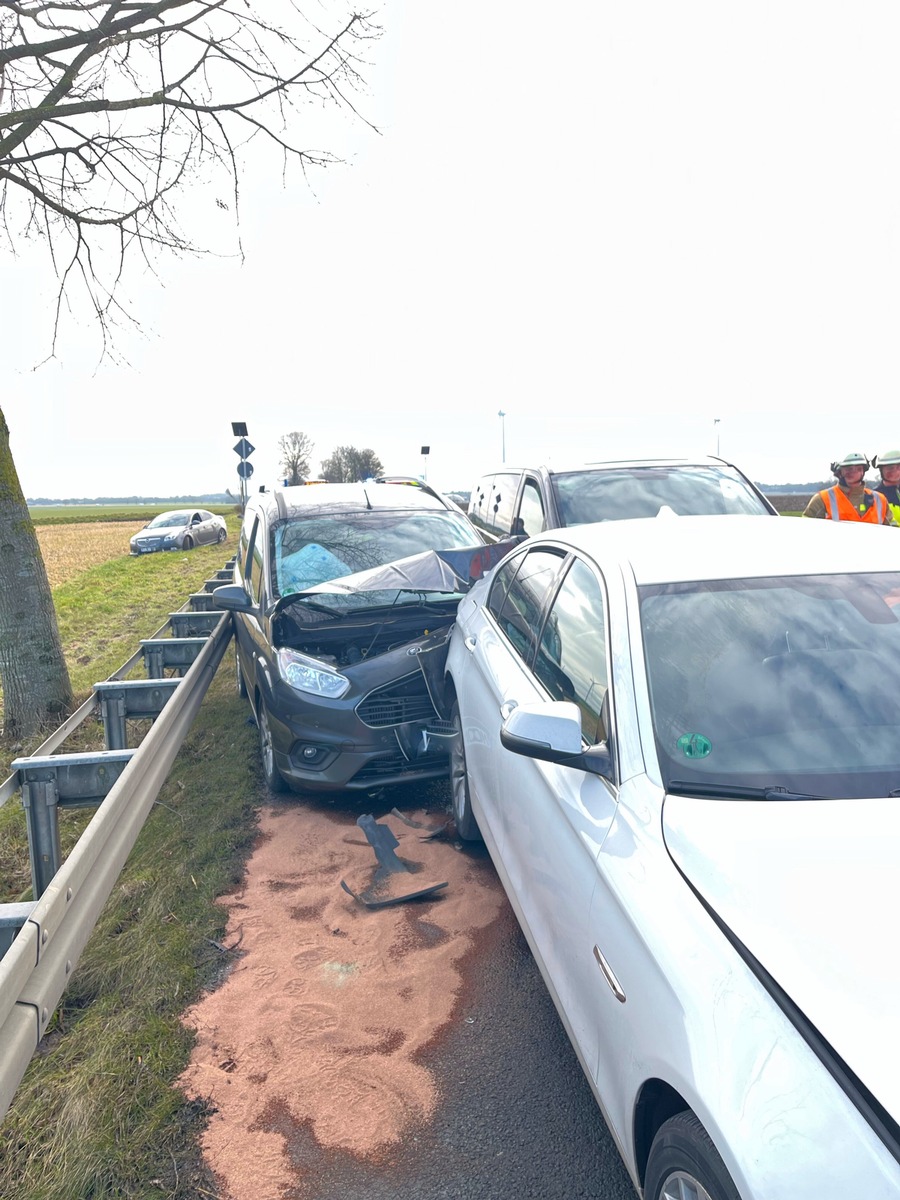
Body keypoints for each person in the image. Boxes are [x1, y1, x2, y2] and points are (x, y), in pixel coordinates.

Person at [802, 452, 895, 524]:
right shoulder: (822, 499)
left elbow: (893, 531)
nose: (853, 472)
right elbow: (806, 530)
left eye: (858, 468)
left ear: (863, 471)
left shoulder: (880, 500)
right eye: (848, 469)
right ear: (839, 472)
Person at [872, 449, 900, 524]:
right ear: (881, 470)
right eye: (890, 468)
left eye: (898, 467)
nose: (896, 471)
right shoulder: (875, 497)